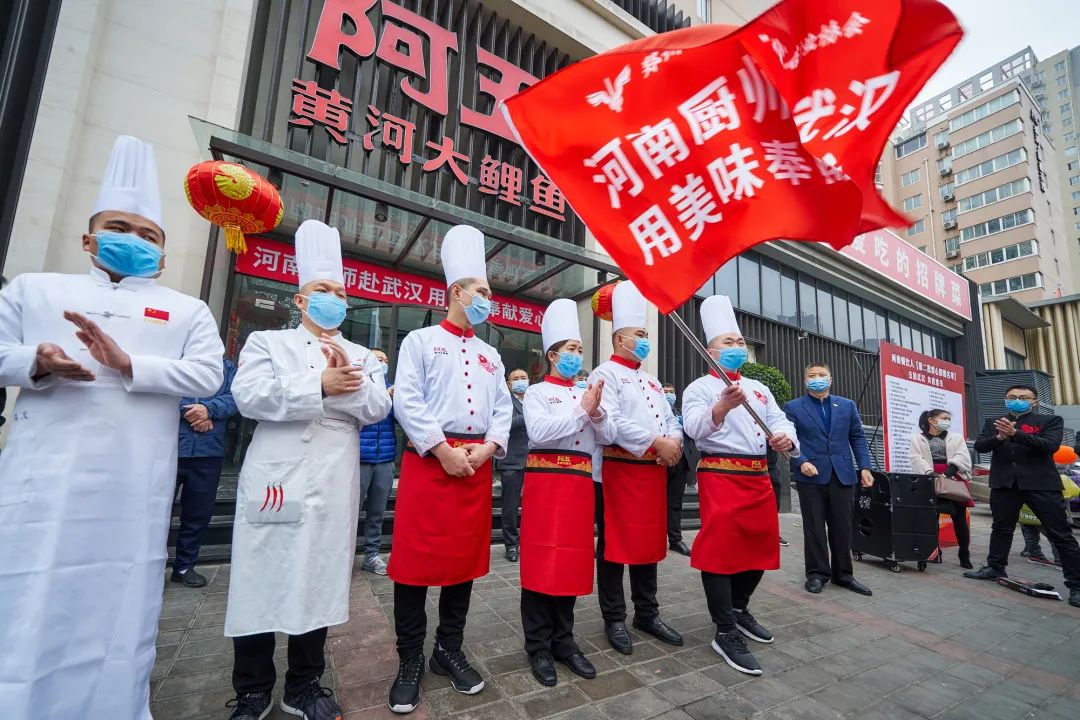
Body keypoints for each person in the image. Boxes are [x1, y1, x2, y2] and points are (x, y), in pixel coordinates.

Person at [0, 136, 224, 718]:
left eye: (149, 235)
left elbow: (206, 373)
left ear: (164, 254)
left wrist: (131, 364)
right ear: (88, 237)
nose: (134, 240)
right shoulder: (35, 289)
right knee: (28, 594)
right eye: (120, 227)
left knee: (121, 602)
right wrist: (37, 362)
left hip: (133, 484)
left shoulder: (186, 309)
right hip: (43, 481)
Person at [224, 220, 392, 720]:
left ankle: (304, 685)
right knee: (260, 574)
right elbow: (248, 397)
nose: (334, 299)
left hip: (335, 474)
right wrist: (319, 384)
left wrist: (352, 387)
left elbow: (379, 408)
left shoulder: (363, 354)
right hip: (277, 471)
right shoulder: (266, 344)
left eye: (341, 293)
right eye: (323, 290)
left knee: (317, 577)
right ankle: (253, 689)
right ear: (300, 300)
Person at [387, 225, 512, 714]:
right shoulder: (419, 340)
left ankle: (448, 650)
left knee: (462, 567)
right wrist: (441, 449)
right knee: (414, 569)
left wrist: (489, 448)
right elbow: (408, 401)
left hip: (476, 466)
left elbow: (503, 407)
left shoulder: (491, 354)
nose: (489, 300)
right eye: (482, 291)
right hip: (429, 464)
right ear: (456, 292)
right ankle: (409, 660)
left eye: (490, 292)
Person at [683, 295, 798, 677]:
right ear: (710, 351)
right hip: (719, 473)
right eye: (728, 343)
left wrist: (785, 439)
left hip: (757, 475)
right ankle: (724, 630)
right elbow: (693, 428)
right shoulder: (700, 388)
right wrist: (721, 407)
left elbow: (781, 421)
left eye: (740, 342)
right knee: (721, 550)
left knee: (760, 546)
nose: (737, 348)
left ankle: (739, 607)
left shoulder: (760, 388)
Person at [519, 298, 615, 687]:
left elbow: (607, 437)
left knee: (573, 560)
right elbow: (539, 433)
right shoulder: (538, 393)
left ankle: (564, 639)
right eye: (571, 351)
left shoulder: (588, 393)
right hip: (545, 482)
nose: (577, 356)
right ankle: (538, 645)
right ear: (553, 355)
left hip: (579, 482)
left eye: (579, 350)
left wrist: (596, 413)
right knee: (542, 560)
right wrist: (580, 410)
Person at [589, 281, 684, 656]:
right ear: (619, 339)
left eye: (646, 333)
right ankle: (614, 616)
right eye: (639, 334)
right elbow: (607, 423)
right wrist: (653, 441)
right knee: (613, 547)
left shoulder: (651, 380)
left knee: (648, 544)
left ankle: (647, 612)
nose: (644, 340)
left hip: (652, 474)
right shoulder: (604, 374)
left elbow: (670, 418)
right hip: (617, 471)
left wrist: (672, 442)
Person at [964, 385, 1080, 607]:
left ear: (1034, 401)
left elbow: (1049, 446)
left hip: (1041, 484)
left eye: (1023, 397)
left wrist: (1015, 434)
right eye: (1012, 397)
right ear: (1005, 399)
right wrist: (999, 436)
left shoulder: (1049, 421)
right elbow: (981, 445)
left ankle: (1076, 585)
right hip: (1005, 483)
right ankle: (995, 566)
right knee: (1001, 528)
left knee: (1060, 533)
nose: (1017, 400)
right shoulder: (994, 421)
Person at [784, 363, 874, 597]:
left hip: (843, 474)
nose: (817, 379)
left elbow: (857, 437)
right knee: (814, 527)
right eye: (812, 376)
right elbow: (789, 440)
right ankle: (816, 574)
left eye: (821, 375)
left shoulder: (846, 405)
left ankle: (843, 574)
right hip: (810, 474)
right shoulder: (794, 407)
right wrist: (801, 461)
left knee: (842, 527)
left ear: (830, 379)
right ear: (805, 380)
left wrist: (865, 467)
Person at [173, 357, 239, 588]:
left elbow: (237, 397)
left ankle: (184, 566)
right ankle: (149, 567)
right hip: (170, 448)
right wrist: (193, 412)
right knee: (156, 512)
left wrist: (209, 409)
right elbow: (161, 389)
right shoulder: (175, 358)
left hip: (209, 451)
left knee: (198, 513)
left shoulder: (226, 367)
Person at [909, 409, 973, 569]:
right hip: (929, 479)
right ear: (931, 420)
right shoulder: (918, 438)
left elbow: (963, 456)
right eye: (944, 418)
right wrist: (930, 474)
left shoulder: (956, 438)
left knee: (959, 518)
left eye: (949, 418)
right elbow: (916, 458)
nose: (948, 421)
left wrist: (948, 472)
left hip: (953, 477)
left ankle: (964, 553)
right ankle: (934, 550)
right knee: (932, 518)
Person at [359, 348, 397, 576]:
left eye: (384, 360)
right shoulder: (358, 383)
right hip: (359, 458)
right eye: (377, 359)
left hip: (385, 459)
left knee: (377, 511)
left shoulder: (392, 389)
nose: (381, 363)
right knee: (350, 510)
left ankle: (371, 555)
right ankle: (339, 555)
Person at [499, 368, 529, 562]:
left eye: (523, 378)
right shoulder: (505, 401)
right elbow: (505, 425)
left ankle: (529, 541)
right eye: (516, 379)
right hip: (511, 461)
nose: (520, 381)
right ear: (509, 384)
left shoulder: (535, 399)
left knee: (533, 505)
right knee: (510, 506)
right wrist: (529, 413)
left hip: (536, 462)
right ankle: (511, 545)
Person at [663, 382, 692, 557]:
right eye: (665, 391)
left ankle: (675, 539)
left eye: (671, 391)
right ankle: (656, 537)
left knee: (675, 503)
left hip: (680, 462)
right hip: (660, 462)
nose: (668, 394)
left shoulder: (682, 413)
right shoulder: (654, 412)